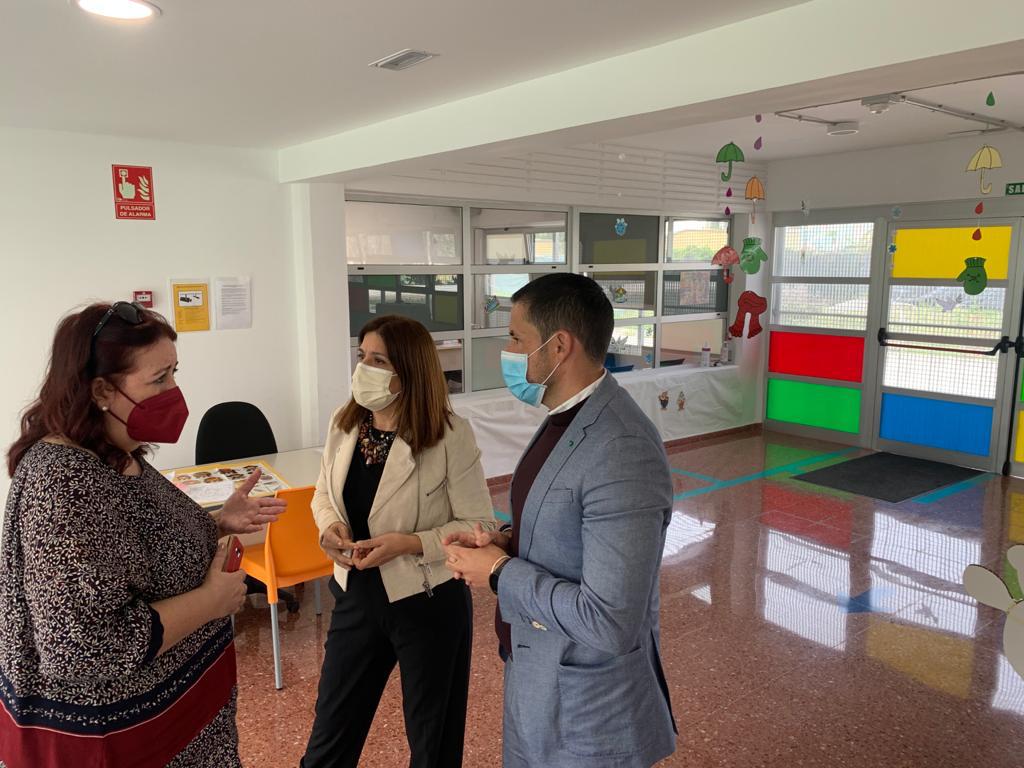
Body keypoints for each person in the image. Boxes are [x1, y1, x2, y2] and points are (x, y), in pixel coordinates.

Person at [0, 301, 285, 767]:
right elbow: (81, 647)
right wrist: (213, 602)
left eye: (175, 372)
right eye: (159, 379)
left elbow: (131, 549)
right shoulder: (63, 480)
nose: (175, 392)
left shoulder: (114, 451)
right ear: (100, 391)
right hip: (120, 739)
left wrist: (213, 524)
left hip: (177, 717)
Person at [443, 273, 677, 768]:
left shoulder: (621, 448)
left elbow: (610, 619)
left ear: (559, 346)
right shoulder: (564, 419)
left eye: (515, 338)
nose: (505, 350)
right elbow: (567, 529)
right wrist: (504, 543)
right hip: (537, 672)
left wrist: (498, 573)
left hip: (589, 704)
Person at [302, 315, 496, 768]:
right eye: (361, 357)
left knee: (433, 743)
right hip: (356, 595)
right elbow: (321, 494)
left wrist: (411, 543)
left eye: (378, 360)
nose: (363, 368)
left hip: (426, 600)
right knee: (330, 736)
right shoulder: (345, 422)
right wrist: (329, 529)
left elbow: (478, 522)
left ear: (409, 370)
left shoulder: (448, 434)